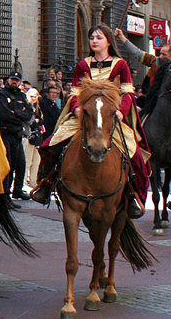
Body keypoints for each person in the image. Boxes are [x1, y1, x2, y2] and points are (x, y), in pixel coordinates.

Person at [31, 24, 151, 220]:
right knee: (52, 143)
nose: (94, 41)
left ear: (108, 41)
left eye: (99, 37)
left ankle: (134, 195)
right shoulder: (83, 65)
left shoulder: (120, 65)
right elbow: (76, 93)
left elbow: (128, 93)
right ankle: (46, 183)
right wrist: (77, 108)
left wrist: (120, 113)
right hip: (84, 115)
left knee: (135, 155)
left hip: (111, 117)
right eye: (92, 37)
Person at [115, 28, 171, 169]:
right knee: (136, 116)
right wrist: (122, 38)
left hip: (170, 103)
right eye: (160, 54)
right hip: (151, 101)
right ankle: (135, 146)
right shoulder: (155, 62)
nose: (161, 57)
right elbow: (136, 52)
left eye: (164, 55)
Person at [0, 71, 34, 208]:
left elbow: (29, 114)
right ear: (7, 80)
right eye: (12, 79)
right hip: (5, 134)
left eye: (17, 80)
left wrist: (16, 113)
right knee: (7, 165)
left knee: (20, 164)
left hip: (17, 134)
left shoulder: (21, 96)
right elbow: (3, 114)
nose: (14, 82)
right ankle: (4, 196)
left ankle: (17, 190)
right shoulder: (1, 95)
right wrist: (19, 115)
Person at [23, 88, 44, 188]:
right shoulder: (25, 106)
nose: (34, 99)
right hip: (27, 135)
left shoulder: (38, 108)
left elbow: (41, 121)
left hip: (37, 137)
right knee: (27, 160)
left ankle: (33, 182)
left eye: (36, 97)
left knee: (36, 160)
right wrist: (36, 121)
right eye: (32, 96)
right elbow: (29, 121)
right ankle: (24, 182)